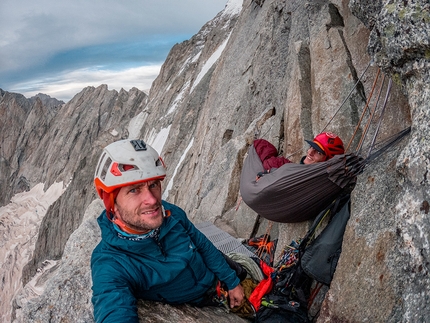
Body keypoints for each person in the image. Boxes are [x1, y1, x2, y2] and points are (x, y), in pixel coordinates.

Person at [91, 139, 245, 323]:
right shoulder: (112, 263)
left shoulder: (172, 214)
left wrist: (232, 281)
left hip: (215, 276)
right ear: (111, 203)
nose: (152, 200)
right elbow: (113, 307)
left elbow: (202, 245)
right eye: (134, 190)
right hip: (200, 300)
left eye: (153, 184)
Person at [254, 132, 345, 178]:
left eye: (318, 152)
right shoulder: (287, 166)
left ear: (328, 161)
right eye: (311, 147)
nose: (310, 152)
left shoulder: (315, 185)